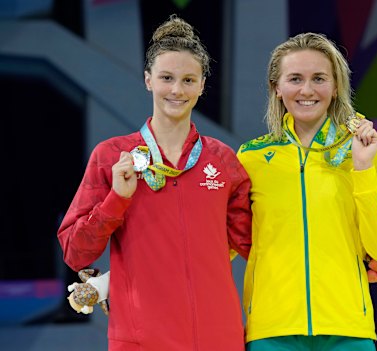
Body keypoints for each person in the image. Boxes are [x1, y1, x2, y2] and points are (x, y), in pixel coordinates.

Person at [57, 15, 251, 351]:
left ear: (203, 84)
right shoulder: (112, 156)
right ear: (148, 80)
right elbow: (76, 252)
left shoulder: (222, 161)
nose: (177, 90)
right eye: (166, 78)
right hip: (141, 341)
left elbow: (259, 243)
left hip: (219, 338)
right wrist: (117, 199)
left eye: (188, 79)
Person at [236, 32, 377, 351]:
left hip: (348, 331)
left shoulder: (366, 151)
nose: (307, 90)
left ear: (336, 86)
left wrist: (364, 170)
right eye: (295, 78)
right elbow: (219, 243)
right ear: (277, 87)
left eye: (319, 78)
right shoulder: (251, 158)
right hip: (273, 332)